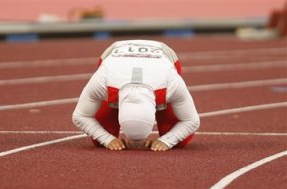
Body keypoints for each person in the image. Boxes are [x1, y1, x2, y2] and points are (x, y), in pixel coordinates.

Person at [72, 40, 200, 151]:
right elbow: (79, 116)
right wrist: (107, 139)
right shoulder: (103, 80)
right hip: (113, 56)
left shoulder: (171, 83)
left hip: (165, 55)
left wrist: (167, 140)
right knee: (101, 139)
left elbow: (192, 121)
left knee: (179, 142)